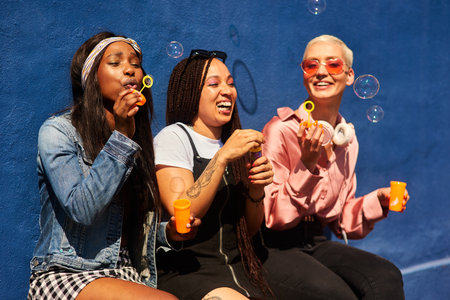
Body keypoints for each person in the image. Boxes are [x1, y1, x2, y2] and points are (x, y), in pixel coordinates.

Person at [27, 32, 197, 300]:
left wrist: (169, 234)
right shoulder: (58, 132)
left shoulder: (134, 139)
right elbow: (82, 209)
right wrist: (120, 140)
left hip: (126, 273)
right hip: (69, 275)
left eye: (135, 63)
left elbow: (128, 230)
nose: (129, 69)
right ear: (91, 77)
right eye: (115, 63)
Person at [261, 34, 409, 299]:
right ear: (303, 73)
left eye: (333, 65)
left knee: (387, 276)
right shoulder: (280, 131)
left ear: (350, 76)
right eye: (311, 65)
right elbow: (272, 217)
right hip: (273, 247)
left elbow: (341, 220)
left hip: (315, 240)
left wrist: (379, 201)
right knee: (338, 295)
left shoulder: (346, 140)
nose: (321, 72)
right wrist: (306, 166)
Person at [153, 50, 276, 299]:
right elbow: (183, 210)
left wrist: (256, 190)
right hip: (189, 271)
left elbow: (250, 230)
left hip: (239, 271)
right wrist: (221, 158)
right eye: (214, 84)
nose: (227, 91)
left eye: (231, 84)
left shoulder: (236, 144)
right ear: (190, 92)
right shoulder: (174, 137)